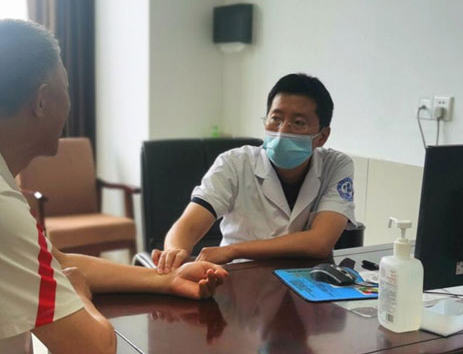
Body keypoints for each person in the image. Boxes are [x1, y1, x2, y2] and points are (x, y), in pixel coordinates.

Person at [0, 19, 228, 354]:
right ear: (42, 100)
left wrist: (166, 279)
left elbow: (57, 261)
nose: (69, 102)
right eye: (66, 88)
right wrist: (77, 290)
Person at [152, 73, 356, 272]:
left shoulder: (336, 165)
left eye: (299, 123)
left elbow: (320, 242)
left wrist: (233, 250)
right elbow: (189, 224)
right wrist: (175, 251)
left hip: (304, 279)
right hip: (239, 275)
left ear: (322, 136)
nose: (282, 131)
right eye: (276, 119)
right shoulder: (234, 163)